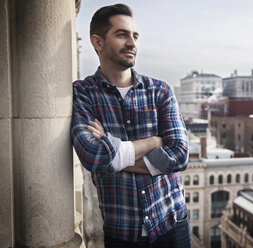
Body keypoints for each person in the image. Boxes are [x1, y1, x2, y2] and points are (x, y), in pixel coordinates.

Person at [71, 4, 190, 247]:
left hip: (172, 223)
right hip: (122, 232)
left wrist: (113, 152)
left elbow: (180, 155)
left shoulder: (160, 91)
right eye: (122, 34)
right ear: (98, 42)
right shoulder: (83, 93)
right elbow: (93, 157)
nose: (132, 43)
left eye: (135, 36)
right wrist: (154, 142)